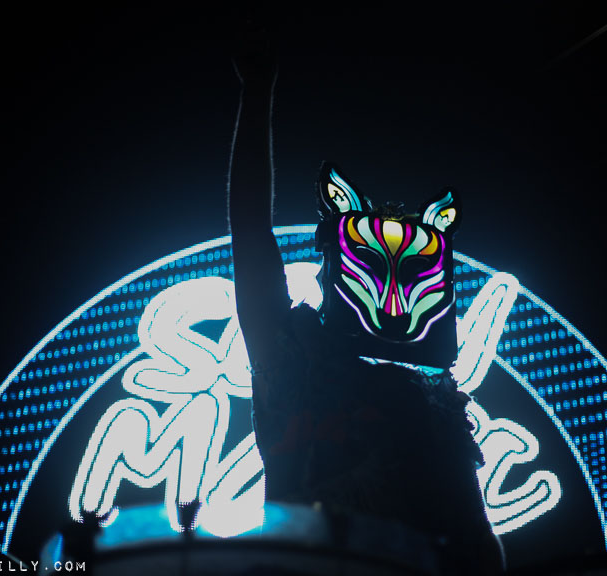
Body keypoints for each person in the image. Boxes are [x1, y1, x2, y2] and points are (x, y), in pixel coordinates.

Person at [227, 30, 504, 575]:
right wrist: (256, 95)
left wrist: (258, 93)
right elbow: (251, 235)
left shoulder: (433, 405)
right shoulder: (294, 366)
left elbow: (478, 542)